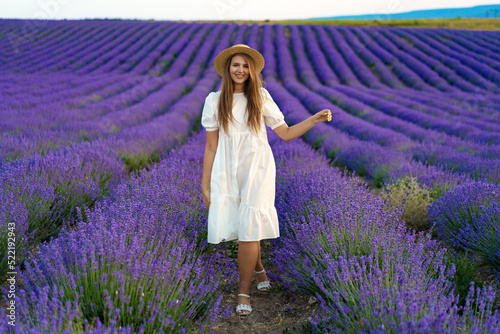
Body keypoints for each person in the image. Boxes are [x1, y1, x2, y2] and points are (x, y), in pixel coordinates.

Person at [201, 44, 332, 316]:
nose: (240, 70)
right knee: (241, 225)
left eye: (245, 65)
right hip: (227, 169)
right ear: (228, 69)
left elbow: (285, 133)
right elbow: (211, 147)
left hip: (258, 168)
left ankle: (243, 292)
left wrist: (314, 119)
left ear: (252, 71)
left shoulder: (260, 96)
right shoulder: (214, 100)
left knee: (249, 227)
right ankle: (259, 269)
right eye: (236, 64)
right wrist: (205, 184)